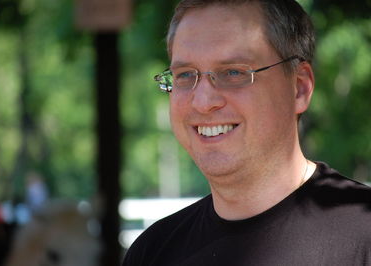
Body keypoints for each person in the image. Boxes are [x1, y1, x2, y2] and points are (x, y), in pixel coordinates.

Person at [123, 0, 371, 265]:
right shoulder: (153, 252)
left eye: (233, 72)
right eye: (185, 75)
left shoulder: (364, 236)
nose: (203, 102)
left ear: (298, 88)